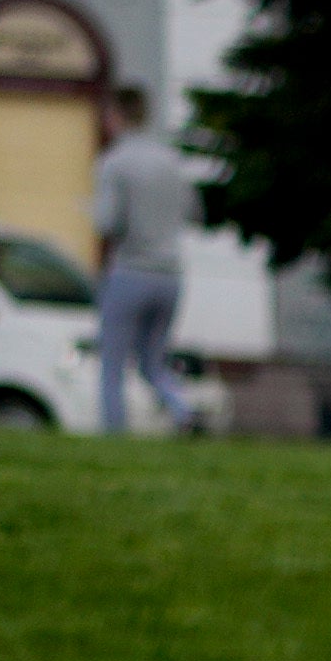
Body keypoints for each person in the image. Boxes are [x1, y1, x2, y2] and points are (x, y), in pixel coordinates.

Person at [87, 89, 191, 436]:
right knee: (153, 362)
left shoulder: (115, 162)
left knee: (112, 364)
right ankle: (183, 409)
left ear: (116, 115)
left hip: (131, 271)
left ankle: (114, 434)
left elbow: (108, 222)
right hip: (171, 275)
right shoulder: (171, 160)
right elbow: (193, 211)